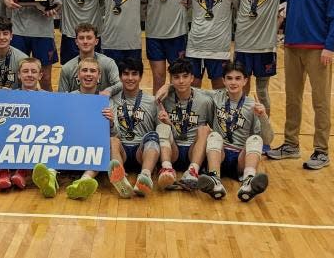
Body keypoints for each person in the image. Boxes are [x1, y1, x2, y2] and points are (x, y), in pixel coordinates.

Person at [267, 0, 334, 170]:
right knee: (292, 98)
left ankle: (321, 150)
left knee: (320, 101)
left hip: (318, 46)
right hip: (292, 45)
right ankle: (291, 144)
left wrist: (330, 45)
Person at [31, 57, 114, 199]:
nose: (88, 74)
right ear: (78, 75)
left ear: (99, 76)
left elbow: (115, 134)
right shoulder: (67, 98)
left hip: (91, 149)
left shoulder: (106, 101)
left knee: (105, 144)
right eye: (85, 70)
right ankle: (50, 177)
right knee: (52, 138)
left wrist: (111, 122)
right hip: (68, 146)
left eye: (93, 71)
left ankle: (84, 181)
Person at [196, 61, 274, 202]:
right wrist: (168, 86)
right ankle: (215, 179)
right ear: (223, 81)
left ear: (245, 81)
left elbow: (268, 140)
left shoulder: (252, 105)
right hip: (220, 155)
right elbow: (190, 89)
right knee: (213, 135)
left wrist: (263, 116)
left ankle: (248, 181)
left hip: (240, 159)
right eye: (229, 78)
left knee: (256, 139)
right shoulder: (216, 96)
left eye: (238, 78)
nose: (233, 82)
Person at [234, 0, 285, 117]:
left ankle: (264, 131)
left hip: (265, 47)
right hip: (243, 45)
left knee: (262, 92)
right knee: (242, 91)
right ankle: (244, 129)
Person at [155, 59, 214, 191]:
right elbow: (163, 133)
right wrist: (169, 123)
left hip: (194, 151)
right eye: (176, 77)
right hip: (173, 150)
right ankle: (167, 168)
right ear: (171, 79)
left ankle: (193, 171)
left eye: (185, 76)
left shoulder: (205, 100)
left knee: (205, 129)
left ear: (192, 78)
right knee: (162, 127)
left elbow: (225, 92)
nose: (181, 81)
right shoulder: (164, 99)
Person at [106, 58, 160, 197]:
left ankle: (145, 176)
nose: (130, 78)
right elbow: (115, 134)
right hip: (121, 150)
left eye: (134, 74)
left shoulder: (152, 101)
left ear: (141, 76)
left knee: (153, 136)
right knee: (113, 140)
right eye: (126, 74)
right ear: (120, 77)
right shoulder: (112, 100)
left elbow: (161, 134)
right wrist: (111, 123)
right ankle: (120, 178)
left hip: (141, 152)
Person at [0, 57, 43, 191]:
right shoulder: (9, 95)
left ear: (40, 75)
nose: (29, 75)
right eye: (25, 71)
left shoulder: (48, 97)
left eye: (33, 71)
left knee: (33, 135)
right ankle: (3, 174)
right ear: (19, 75)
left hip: (34, 138)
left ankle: (22, 173)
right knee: (1, 130)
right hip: (11, 137)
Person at [57, 23, 122, 96]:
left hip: (103, 106)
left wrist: (109, 90)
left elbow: (120, 84)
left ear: (96, 41)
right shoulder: (67, 68)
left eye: (89, 38)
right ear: (76, 42)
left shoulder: (108, 63)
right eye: (81, 38)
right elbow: (61, 96)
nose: (85, 42)